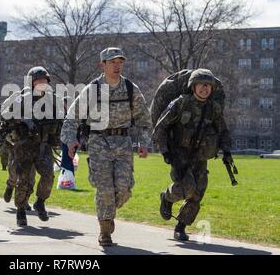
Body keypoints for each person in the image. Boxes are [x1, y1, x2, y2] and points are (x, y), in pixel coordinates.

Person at [61, 47, 151, 246]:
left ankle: (108, 213)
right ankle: (105, 229)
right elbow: (72, 117)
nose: (117, 66)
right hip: (98, 143)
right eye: (112, 62)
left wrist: (143, 142)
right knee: (104, 189)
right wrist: (70, 140)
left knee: (124, 188)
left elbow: (144, 118)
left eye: (120, 62)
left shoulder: (130, 88)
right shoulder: (92, 90)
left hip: (123, 143)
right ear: (102, 64)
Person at [153, 68, 232, 241]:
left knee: (198, 193)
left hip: (200, 156)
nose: (205, 89)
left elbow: (223, 130)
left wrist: (226, 151)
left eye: (208, 86)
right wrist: (166, 152)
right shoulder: (180, 103)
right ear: (193, 86)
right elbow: (161, 127)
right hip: (179, 154)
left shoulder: (213, 108)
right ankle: (166, 197)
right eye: (201, 85)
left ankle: (180, 227)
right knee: (186, 188)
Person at [0, 66, 64, 226]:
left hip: (43, 145)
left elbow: (63, 118)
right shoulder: (21, 98)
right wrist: (23, 120)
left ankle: (40, 202)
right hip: (24, 146)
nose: (42, 83)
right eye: (38, 80)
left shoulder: (53, 99)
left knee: (48, 176)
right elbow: (5, 115)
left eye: (44, 80)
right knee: (24, 180)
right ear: (31, 83)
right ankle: (21, 209)